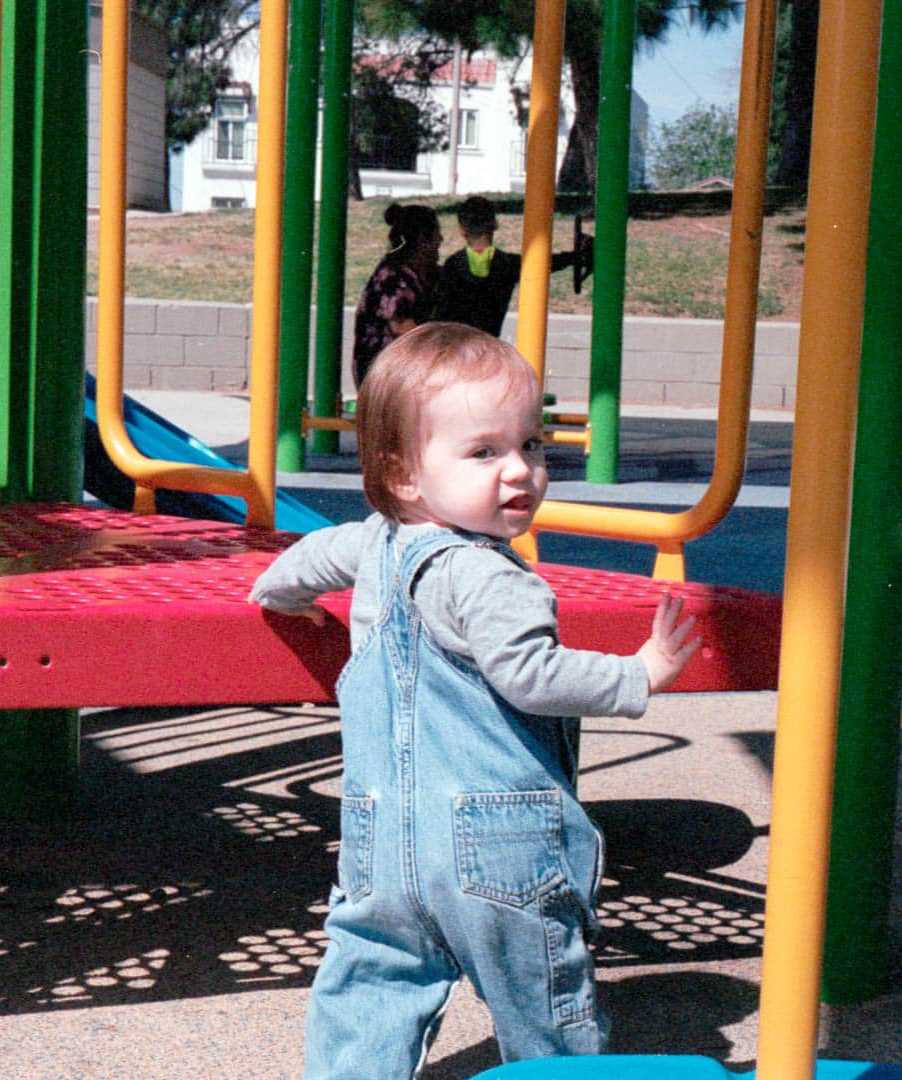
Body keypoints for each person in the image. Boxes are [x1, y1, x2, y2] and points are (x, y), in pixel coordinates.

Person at [248, 322, 700, 1077]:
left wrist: (274, 592)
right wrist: (639, 673)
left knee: (371, 986)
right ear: (403, 476)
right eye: (484, 452)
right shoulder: (489, 575)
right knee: (539, 1000)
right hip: (496, 842)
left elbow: (304, 560)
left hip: (380, 842)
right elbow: (532, 674)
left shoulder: (373, 542)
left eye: (532, 445)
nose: (519, 471)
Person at [434, 196, 592, 338]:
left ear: (462, 231)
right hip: (489, 350)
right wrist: (575, 256)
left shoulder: (452, 265)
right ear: (495, 225)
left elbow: (440, 312)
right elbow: (544, 263)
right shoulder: (506, 264)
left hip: (454, 348)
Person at [352, 203, 443, 387]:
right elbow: (402, 326)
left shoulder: (424, 273)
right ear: (422, 240)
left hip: (403, 365)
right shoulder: (394, 277)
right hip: (383, 372)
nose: (441, 239)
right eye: (436, 235)